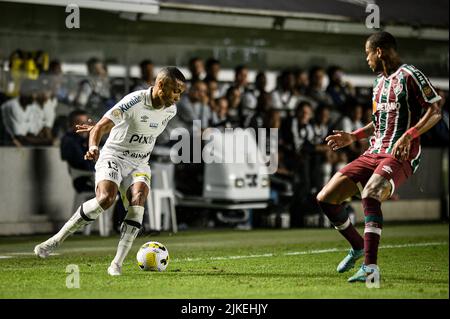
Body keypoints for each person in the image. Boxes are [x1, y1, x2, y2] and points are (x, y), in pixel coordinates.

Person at [34, 67, 186, 276]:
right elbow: (100, 128)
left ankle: (116, 264)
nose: (178, 97)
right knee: (106, 199)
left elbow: (139, 130)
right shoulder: (134, 101)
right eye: (175, 91)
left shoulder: (170, 110)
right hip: (114, 155)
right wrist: (94, 146)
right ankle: (55, 240)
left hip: (140, 162)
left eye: (181, 92)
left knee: (138, 200)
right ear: (160, 85)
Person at [316, 31, 442, 283]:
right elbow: (378, 122)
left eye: (367, 54)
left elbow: (435, 110)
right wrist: (353, 136)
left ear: (379, 52)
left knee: (370, 193)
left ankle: (370, 268)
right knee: (326, 199)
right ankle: (358, 246)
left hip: (400, 154)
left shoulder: (410, 75)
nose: (367, 59)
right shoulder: (378, 83)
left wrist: (410, 134)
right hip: (373, 151)